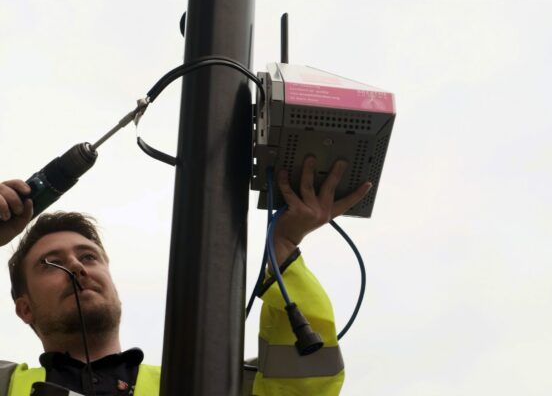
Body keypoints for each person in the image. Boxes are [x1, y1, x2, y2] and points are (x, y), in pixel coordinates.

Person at [0, 158, 372, 395]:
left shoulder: (210, 383)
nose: (78, 267)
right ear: (24, 308)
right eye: (52, 263)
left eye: (89, 256)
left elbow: (306, 385)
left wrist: (285, 245)